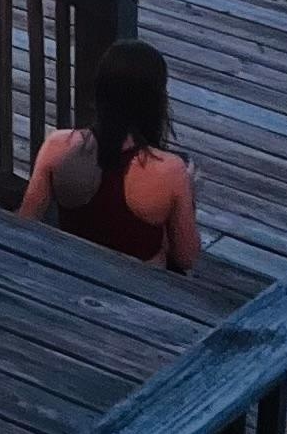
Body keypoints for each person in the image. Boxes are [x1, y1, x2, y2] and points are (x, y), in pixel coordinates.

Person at [17, 40, 203, 272]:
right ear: (155, 100)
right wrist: (189, 191)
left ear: (100, 91)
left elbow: (24, 223)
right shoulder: (170, 170)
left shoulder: (57, 146)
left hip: (72, 273)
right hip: (142, 293)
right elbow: (187, 258)